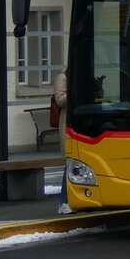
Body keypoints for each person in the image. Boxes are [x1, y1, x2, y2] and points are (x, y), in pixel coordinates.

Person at [53, 68, 71, 215]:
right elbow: (60, 100)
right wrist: (78, 92)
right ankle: (64, 201)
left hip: (83, 125)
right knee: (69, 163)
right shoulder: (63, 78)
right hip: (68, 126)